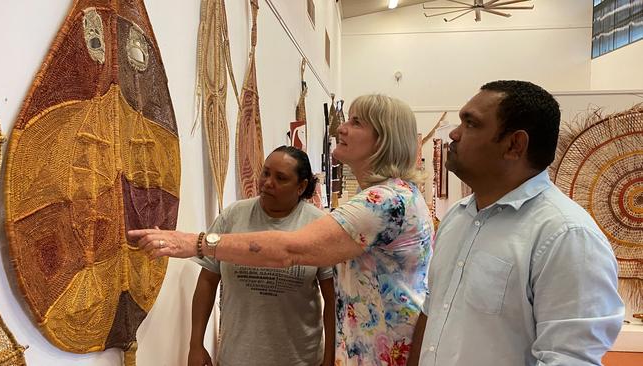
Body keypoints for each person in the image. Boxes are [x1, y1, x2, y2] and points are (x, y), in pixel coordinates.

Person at [129, 94, 434, 365]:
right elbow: (210, 280)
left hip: (379, 353)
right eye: (265, 173)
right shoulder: (391, 197)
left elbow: (290, 250)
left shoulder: (383, 201)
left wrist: (195, 243)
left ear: (382, 140)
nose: (341, 128)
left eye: (356, 122)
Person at [414, 80, 624, 365]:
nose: (454, 133)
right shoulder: (457, 217)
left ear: (515, 145)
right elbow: (433, 311)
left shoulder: (567, 236)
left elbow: (568, 358)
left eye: (471, 124)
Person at [187, 146, 335, 366]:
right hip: (236, 357)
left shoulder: (319, 227)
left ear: (301, 186)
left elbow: (332, 299)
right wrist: (195, 344)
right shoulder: (232, 217)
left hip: (299, 359)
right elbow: (208, 280)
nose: (267, 182)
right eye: (265, 173)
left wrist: (330, 358)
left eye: (280, 178)